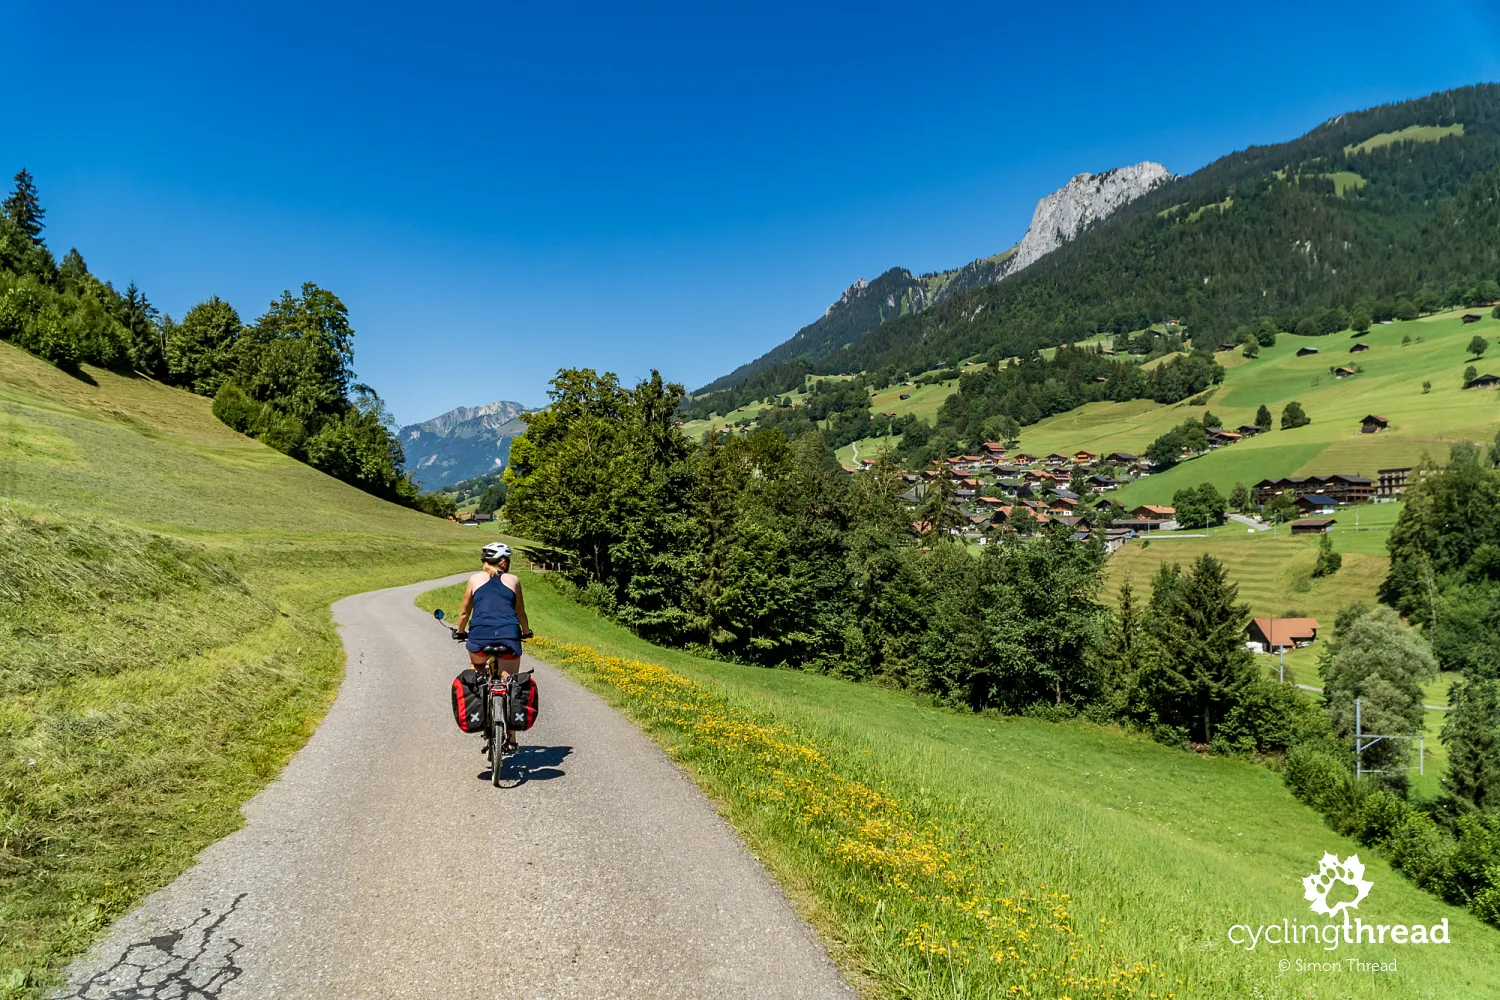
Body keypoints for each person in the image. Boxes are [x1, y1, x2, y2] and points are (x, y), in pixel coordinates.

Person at [453, 541, 532, 754]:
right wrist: (526, 632)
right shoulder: (513, 580)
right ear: (504, 562)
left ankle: (478, 711)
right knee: (511, 683)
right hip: (508, 638)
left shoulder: (474, 579)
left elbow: (464, 613)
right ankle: (511, 739)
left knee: (476, 669)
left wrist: (460, 631)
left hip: (480, 638)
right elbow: (520, 613)